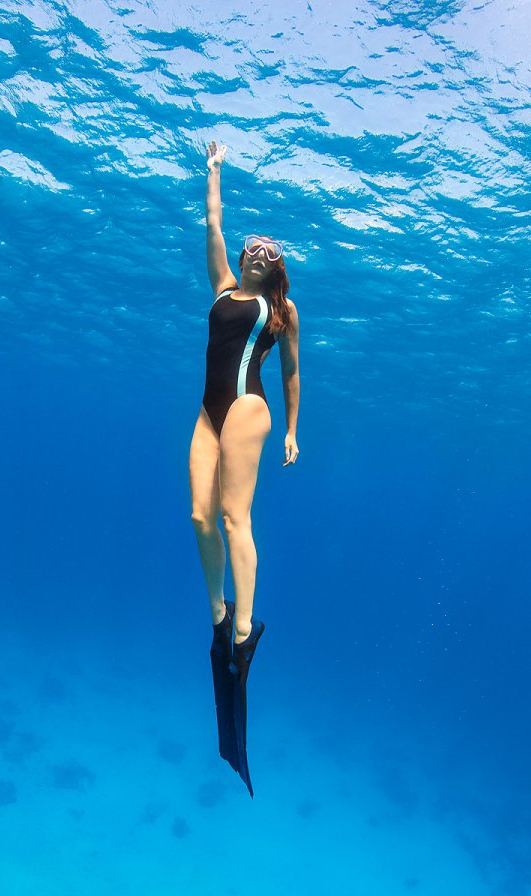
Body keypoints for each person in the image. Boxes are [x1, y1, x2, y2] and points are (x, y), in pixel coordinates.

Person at [189, 139, 300, 793]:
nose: (258, 248)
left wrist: (292, 429)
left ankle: (244, 623)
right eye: (252, 244)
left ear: (277, 267)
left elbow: (291, 372)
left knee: (234, 515)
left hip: (249, 410)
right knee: (199, 513)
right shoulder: (222, 287)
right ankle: (216, 610)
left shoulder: (281, 310)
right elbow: (213, 224)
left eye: (270, 249)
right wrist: (214, 171)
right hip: (206, 410)